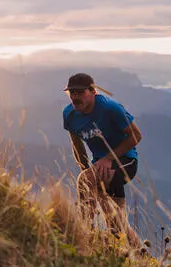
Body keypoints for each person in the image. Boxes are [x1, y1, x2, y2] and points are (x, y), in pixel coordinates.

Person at [61, 73, 143, 241]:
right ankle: (142, 258)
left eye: (80, 92)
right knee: (116, 224)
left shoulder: (110, 108)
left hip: (125, 162)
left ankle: (82, 235)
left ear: (93, 91)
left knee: (84, 181)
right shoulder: (69, 114)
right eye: (71, 93)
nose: (75, 97)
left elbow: (136, 136)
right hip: (100, 166)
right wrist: (87, 170)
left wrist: (107, 159)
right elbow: (77, 145)